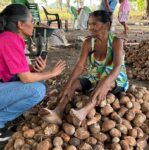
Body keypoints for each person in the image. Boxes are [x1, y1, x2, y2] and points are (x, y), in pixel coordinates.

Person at [39, 10, 129, 126]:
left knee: (103, 83)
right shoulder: (88, 42)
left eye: (94, 24)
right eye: (89, 24)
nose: (90, 27)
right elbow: (80, 66)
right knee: (74, 83)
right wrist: (67, 85)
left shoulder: (117, 42)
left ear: (106, 25)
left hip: (115, 79)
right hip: (94, 77)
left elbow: (117, 67)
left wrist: (106, 83)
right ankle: (58, 112)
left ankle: (83, 112)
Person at [0, 4, 66, 141]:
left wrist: (34, 69)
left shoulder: (11, 38)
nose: (33, 24)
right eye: (31, 21)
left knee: (38, 81)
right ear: (20, 24)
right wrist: (53, 73)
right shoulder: (9, 39)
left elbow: (18, 70)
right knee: (37, 90)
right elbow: (25, 78)